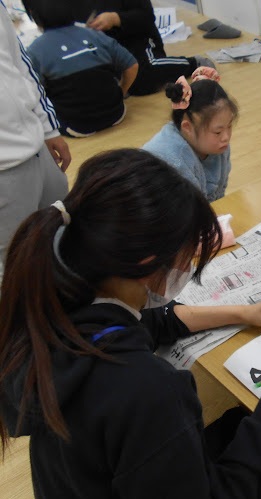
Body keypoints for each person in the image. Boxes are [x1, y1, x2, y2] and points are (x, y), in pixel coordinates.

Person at [0, 148, 261, 499]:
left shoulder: (53, 306)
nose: (187, 265)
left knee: (238, 423)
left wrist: (243, 312)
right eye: (188, 254)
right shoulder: (149, 389)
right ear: (149, 263)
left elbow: (148, 325)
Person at [0, 0, 70, 287]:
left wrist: (48, 128)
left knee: (61, 229)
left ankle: (65, 299)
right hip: (5, 167)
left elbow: (19, 62)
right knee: (14, 262)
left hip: (36, 141)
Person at [23, 0, 138, 137]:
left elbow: (33, 93)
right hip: (116, 114)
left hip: (75, 126)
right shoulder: (96, 35)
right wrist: (121, 92)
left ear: (34, 17)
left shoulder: (35, 50)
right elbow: (132, 65)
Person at [74, 0, 213, 96]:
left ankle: (193, 64)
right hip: (103, 45)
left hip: (139, 40)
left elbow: (146, 17)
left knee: (141, 78)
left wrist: (116, 18)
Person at [143, 67, 234, 201]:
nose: (226, 137)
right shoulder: (173, 161)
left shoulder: (219, 145)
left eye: (230, 126)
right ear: (187, 127)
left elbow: (219, 195)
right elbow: (188, 209)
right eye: (218, 132)